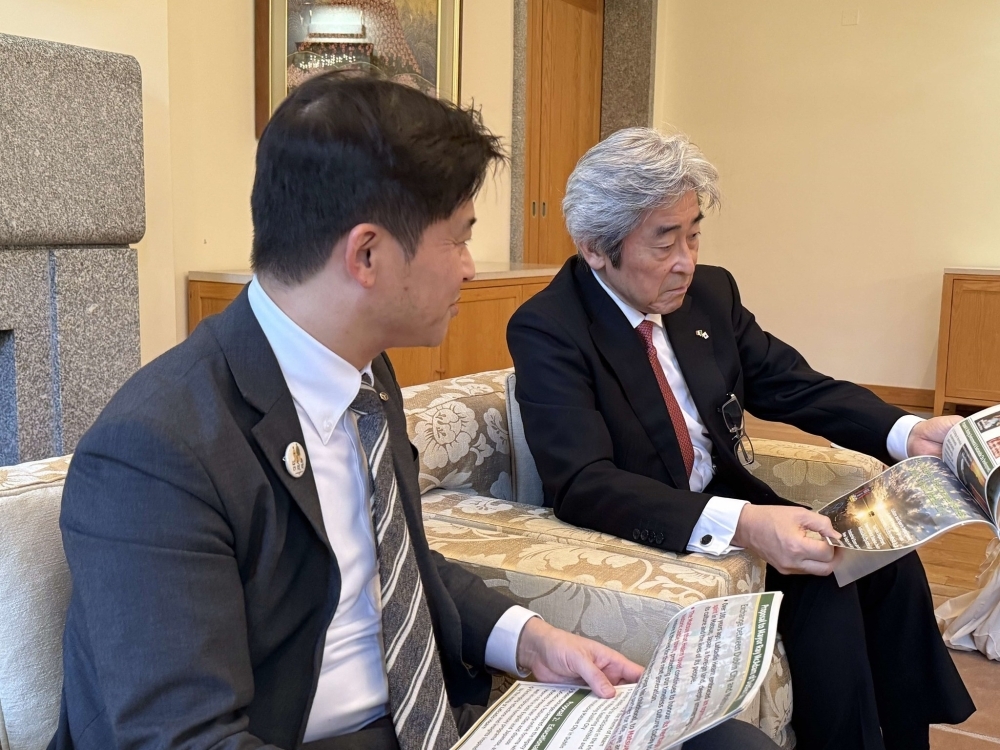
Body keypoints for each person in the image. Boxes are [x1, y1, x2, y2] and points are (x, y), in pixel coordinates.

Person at [49, 78, 777, 750]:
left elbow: (392, 566)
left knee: (727, 744)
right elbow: (184, 740)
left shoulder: (364, 378)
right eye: (458, 236)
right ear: (367, 255)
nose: (470, 265)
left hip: (426, 720)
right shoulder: (157, 451)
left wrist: (531, 639)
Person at [506, 127, 976, 750]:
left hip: (729, 499)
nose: (686, 261)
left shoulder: (708, 294)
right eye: (664, 242)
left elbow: (794, 385)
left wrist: (908, 431)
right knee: (823, 584)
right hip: (655, 524)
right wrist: (746, 525)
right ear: (596, 248)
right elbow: (584, 483)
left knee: (886, 560)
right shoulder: (550, 327)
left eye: (694, 234)